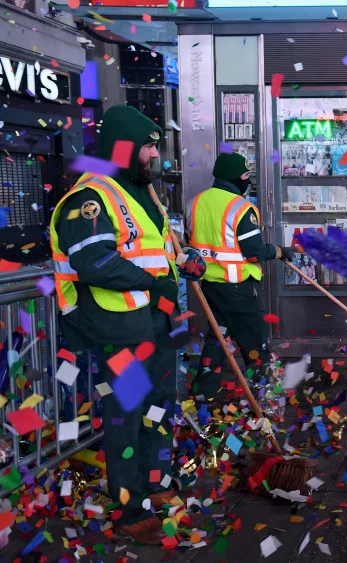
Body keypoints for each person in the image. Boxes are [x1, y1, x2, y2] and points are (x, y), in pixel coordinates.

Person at [50, 105, 187, 544]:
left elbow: (160, 252)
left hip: (154, 320)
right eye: (148, 146)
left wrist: (187, 264)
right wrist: (154, 281)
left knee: (161, 402)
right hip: (117, 324)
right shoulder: (87, 200)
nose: (154, 156)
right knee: (127, 413)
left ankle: (156, 484)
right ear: (124, 147)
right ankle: (130, 509)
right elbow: (95, 263)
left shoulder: (142, 195)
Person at [187, 153, 298, 403]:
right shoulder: (240, 207)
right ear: (234, 177)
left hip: (209, 287)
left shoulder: (194, 203)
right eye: (246, 176)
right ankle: (264, 397)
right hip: (237, 288)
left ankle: (203, 392)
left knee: (217, 338)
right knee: (255, 342)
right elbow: (254, 251)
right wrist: (279, 251)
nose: (248, 181)